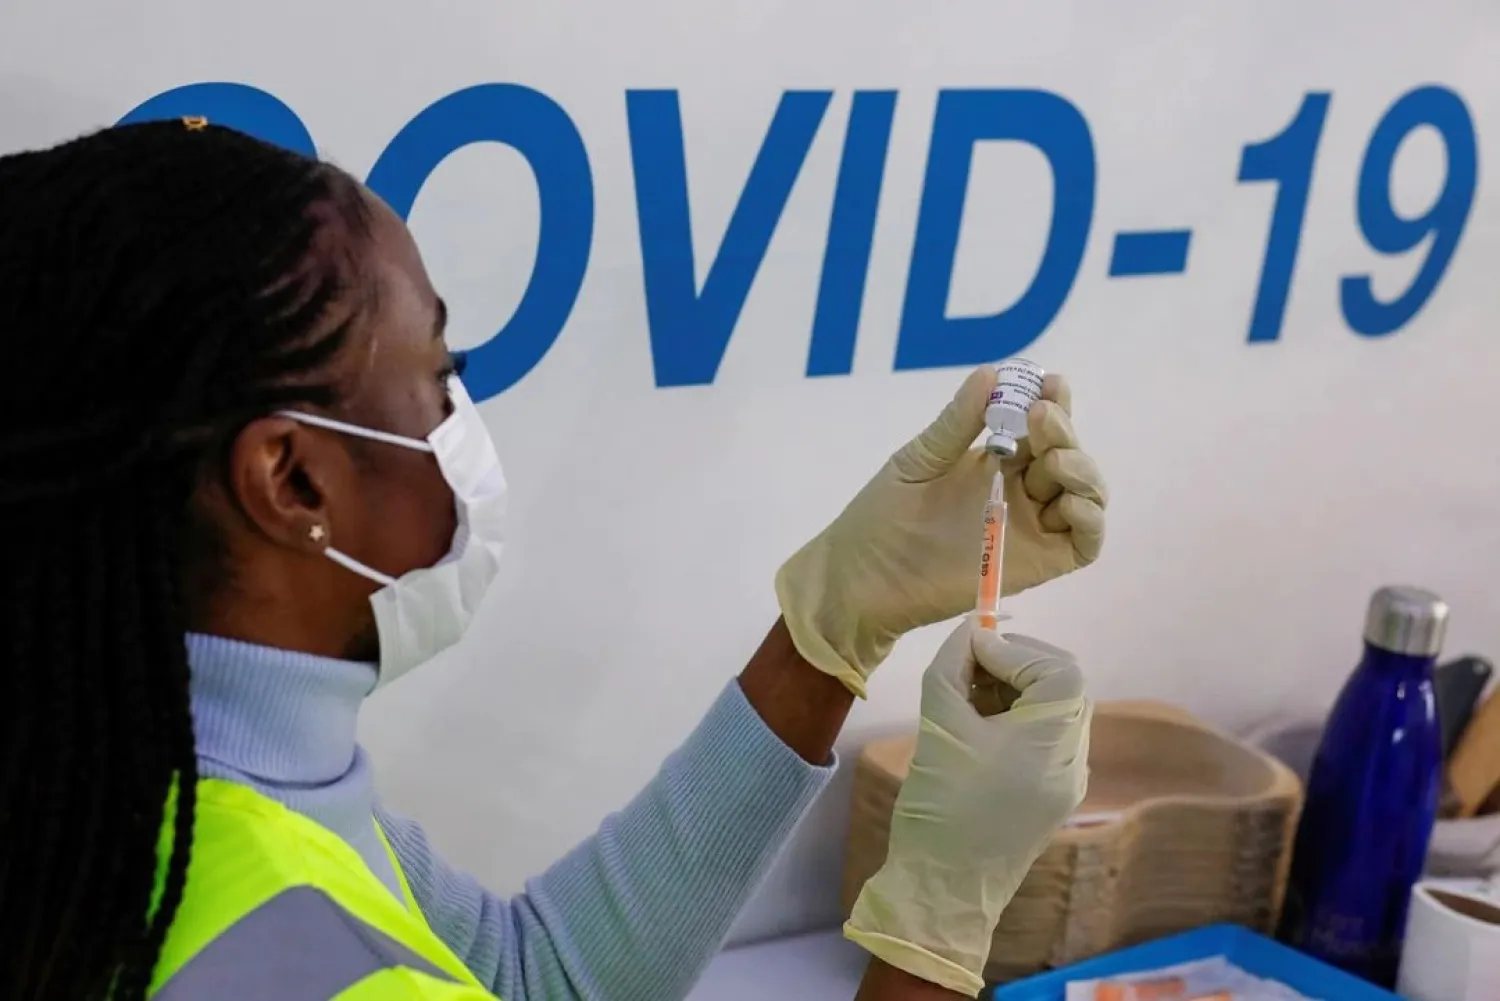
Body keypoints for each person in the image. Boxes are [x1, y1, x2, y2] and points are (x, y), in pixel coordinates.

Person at [0, 120, 1105, 1001]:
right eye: (438, 376)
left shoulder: (129, 763)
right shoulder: (294, 944)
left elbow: (531, 982)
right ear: (293, 482)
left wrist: (835, 624)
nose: (460, 418)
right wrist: (936, 920)